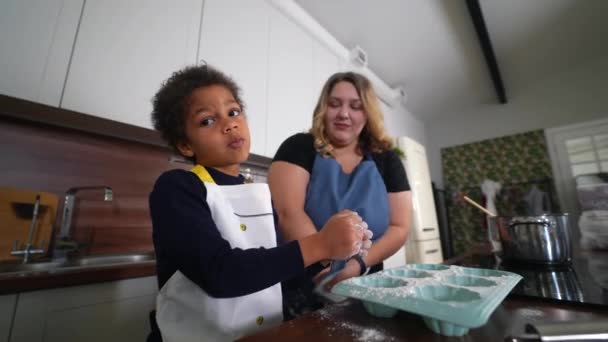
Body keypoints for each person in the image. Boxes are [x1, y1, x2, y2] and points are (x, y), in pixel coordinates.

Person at [147, 65, 370, 342]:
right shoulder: (177, 188)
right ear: (185, 145)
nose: (230, 124)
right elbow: (220, 272)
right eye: (207, 121)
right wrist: (319, 244)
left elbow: (276, 281)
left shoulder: (258, 195)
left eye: (233, 112)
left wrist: (327, 252)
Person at [268, 71, 412, 318]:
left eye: (356, 106)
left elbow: (399, 226)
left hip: (366, 284)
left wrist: (357, 265)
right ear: (323, 109)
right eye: (334, 104)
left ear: (367, 114)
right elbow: (289, 212)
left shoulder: (386, 160)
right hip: (302, 283)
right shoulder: (299, 147)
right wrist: (329, 267)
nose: (344, 113)